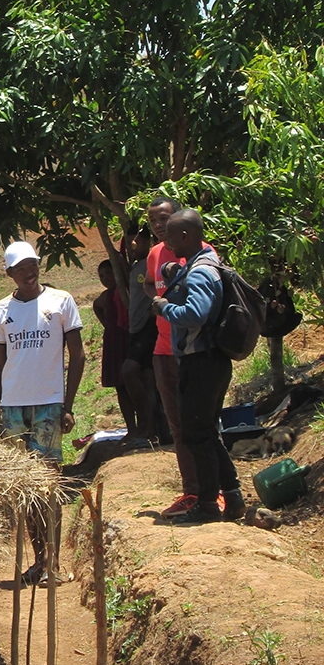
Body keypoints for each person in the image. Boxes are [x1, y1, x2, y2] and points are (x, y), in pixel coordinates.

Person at [0, 240, 85, 581]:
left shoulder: (60, 302)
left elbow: (78, 356)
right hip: (13, 407)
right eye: (21, 269)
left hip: (47, 404)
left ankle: (53, 563)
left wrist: (67, 405)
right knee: (26, 489)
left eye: (33, 266)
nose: (29, 273)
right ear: (9, 273)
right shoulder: (1, 311)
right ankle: (40, 559)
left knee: (48, 484)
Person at [152, 211, 244, 524]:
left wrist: (165, 308)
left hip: (202, 361)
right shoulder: (200, 265)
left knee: (196, 434)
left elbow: (195, 313)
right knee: (205, 432)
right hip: (207, 361)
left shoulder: (202, 272)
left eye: (171, 236)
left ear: (186, 237)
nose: (165, 241)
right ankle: (232, 497)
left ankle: (208, 503)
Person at [144, 194, 219, 517]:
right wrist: (159, 297)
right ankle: (192, 491)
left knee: (203, 422)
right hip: (164, 349)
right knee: (178, 426)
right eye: (153, 221)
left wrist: (168, 304)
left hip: (196, 351)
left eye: (164, 219)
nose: (159, 226)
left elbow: (200, 309)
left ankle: (213, 492)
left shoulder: (200, 254)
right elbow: (150, 284)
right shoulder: (155, 255)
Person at [119, 223, 159, 445]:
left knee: (129, 371)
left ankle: (145, 425)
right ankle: (149, 430)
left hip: (146, 327)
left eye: (137, 242)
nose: (132, 246)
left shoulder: (149, 264)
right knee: (146, 377)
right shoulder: (136, 266)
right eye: (129, 242)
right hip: (135, 328)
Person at [93, 258, 135, 435]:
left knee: (135, 384)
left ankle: (144, 426)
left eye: (108, 273)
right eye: (101, 276)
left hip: (129, 341)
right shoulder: (105, 297)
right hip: (114, 344)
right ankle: (132, 428)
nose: (105, 278)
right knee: (121, 387)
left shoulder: (127, 292)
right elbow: (97, 306)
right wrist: (110, 328)